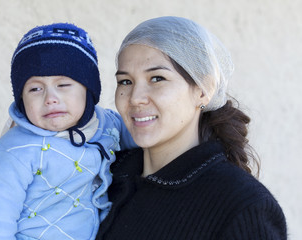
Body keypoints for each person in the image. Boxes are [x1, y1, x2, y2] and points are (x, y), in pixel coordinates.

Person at [96, 16, 287, 240]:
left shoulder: (243, 206)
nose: (135, 98)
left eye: (157, 78)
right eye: (125, 81)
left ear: (203, 89)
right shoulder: (102, 174)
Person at [0, 23, 136, 240]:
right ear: (22, 100)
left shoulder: (106, 124)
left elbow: (142, 137)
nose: (50, 98)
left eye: (63, 85)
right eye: (35, 89)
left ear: (88, 89)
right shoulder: (15, 150)